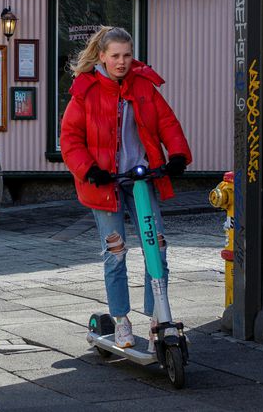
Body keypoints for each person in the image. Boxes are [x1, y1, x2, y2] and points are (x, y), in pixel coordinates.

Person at [60, 26, 192, 350]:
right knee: (115, 253)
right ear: (102, 56)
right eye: (115, 56)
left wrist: (176, 154)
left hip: (141, 180)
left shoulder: (144, 86)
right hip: (105, 185)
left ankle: (158, 315)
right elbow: (70, 138)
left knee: (157, 246)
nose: (122, 62)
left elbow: (167, 123)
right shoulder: (86, 91)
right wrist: (89, 169)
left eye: (127, 55)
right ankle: (120, 319)